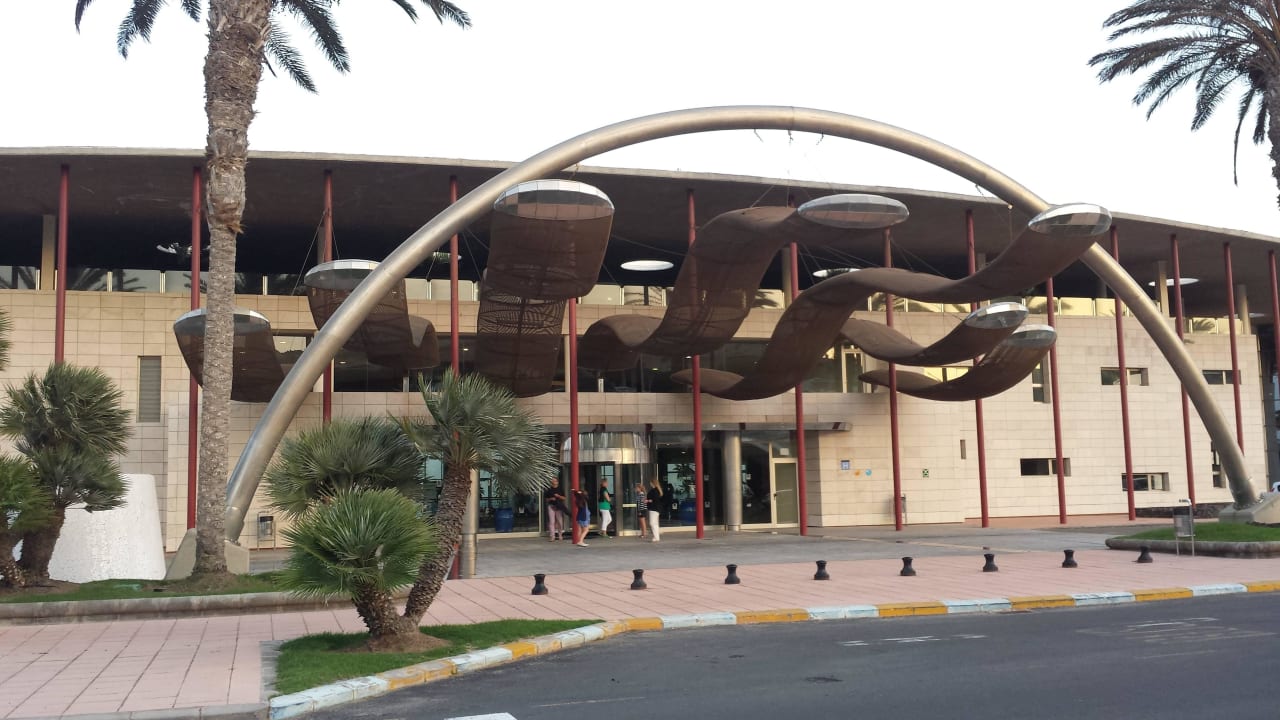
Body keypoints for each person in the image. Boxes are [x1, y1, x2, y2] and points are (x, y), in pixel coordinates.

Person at [646, 478, 664, 542]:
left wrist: (648, 501)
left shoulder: (654, 491)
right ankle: (656, 537)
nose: (650, 484)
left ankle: (656, 537)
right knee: (655, 523)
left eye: (650, 483)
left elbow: (654, 499)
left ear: (652, 483)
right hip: (656, 508)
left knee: (652, 523)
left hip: (654, 508)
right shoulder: (657, 490)